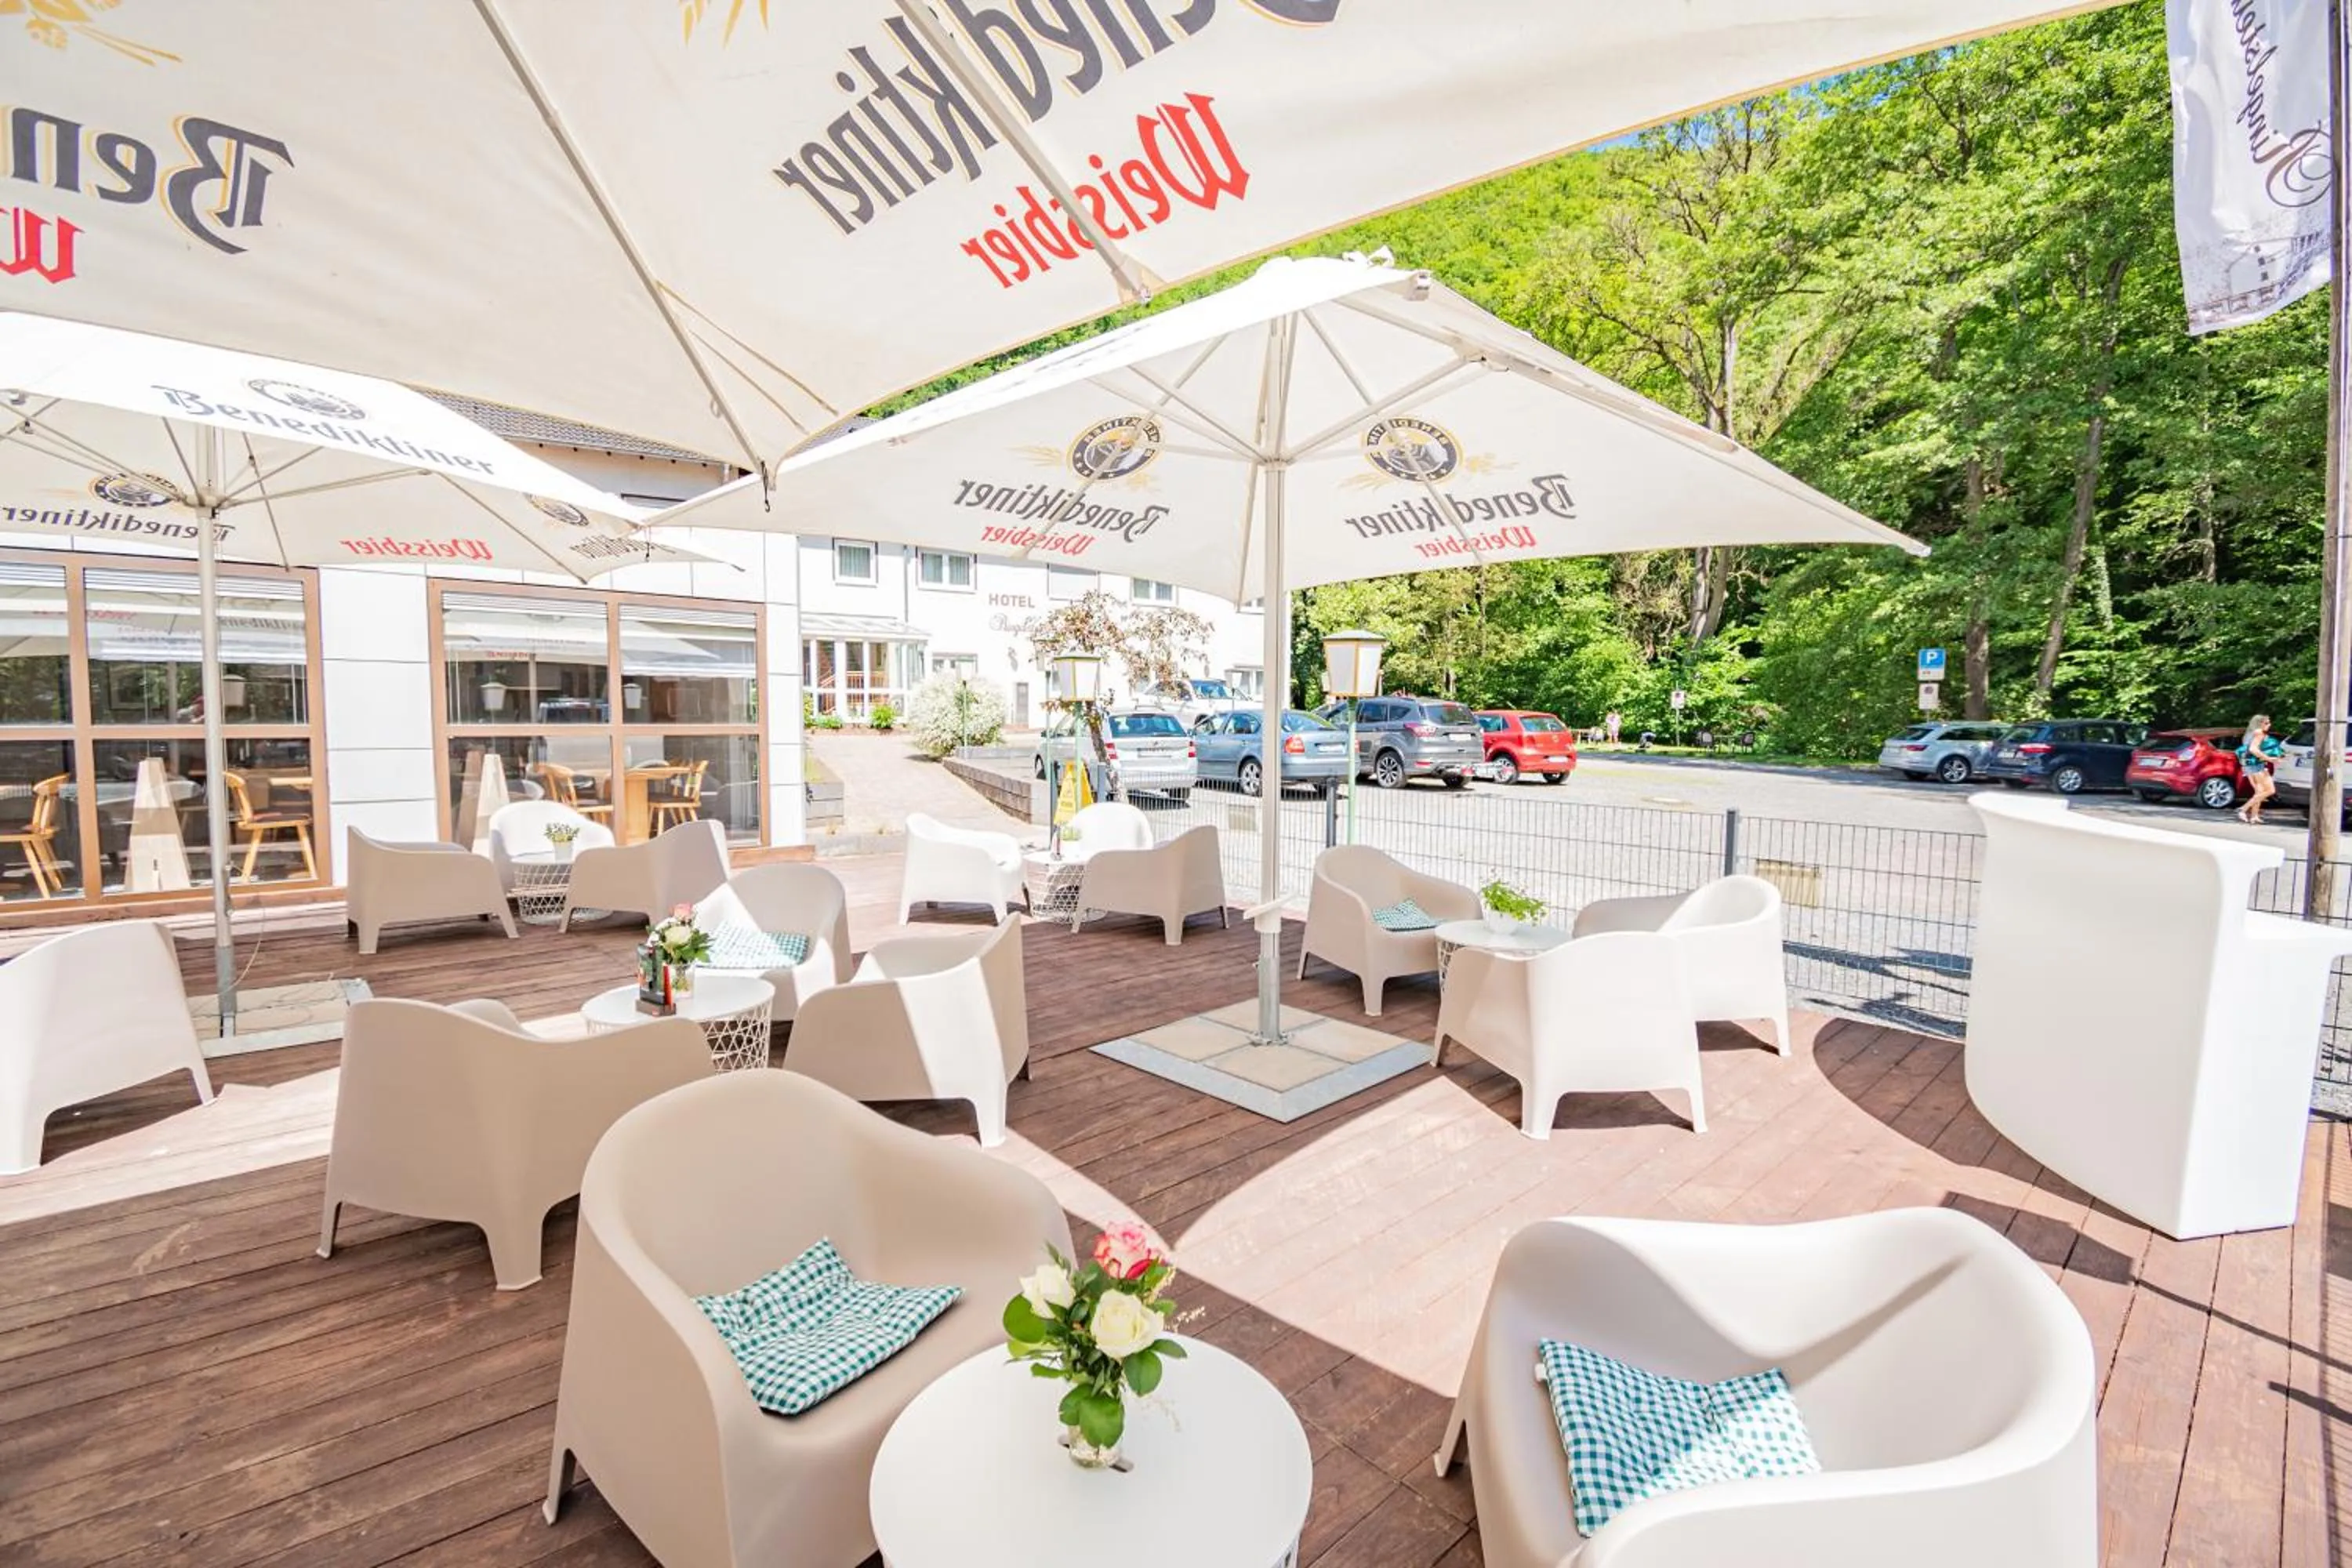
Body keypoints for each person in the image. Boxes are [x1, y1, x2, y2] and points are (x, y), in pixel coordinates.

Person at [2237, 713, 2284, 825]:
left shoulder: (2249, 734)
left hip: (2248, 765)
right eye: (2266, 723)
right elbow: (2254, 749)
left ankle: (2254, 816)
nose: (2269, 725)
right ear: (2259, 724)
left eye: (2269, 722)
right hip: (2257, 766)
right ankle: (2243, 809)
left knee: (2259, 792)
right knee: (2270, 790)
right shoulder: (2259, 733)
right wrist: (2269, 759)